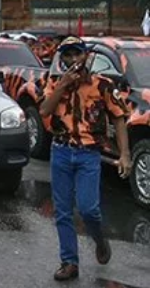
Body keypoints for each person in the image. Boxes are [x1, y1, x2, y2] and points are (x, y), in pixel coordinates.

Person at [39, 37, 131, 281]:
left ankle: (99, 240)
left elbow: (119, 117)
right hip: (60, 151)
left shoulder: (103, 85)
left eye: (76, 54)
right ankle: (69, 262)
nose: (72, 60)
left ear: (86, 56)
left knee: (89, 209)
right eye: (67, 56)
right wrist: (62, 86)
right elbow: (44, 110)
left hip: (89, 154)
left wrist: (125, 155)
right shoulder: (54, 82)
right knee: (63, 211)